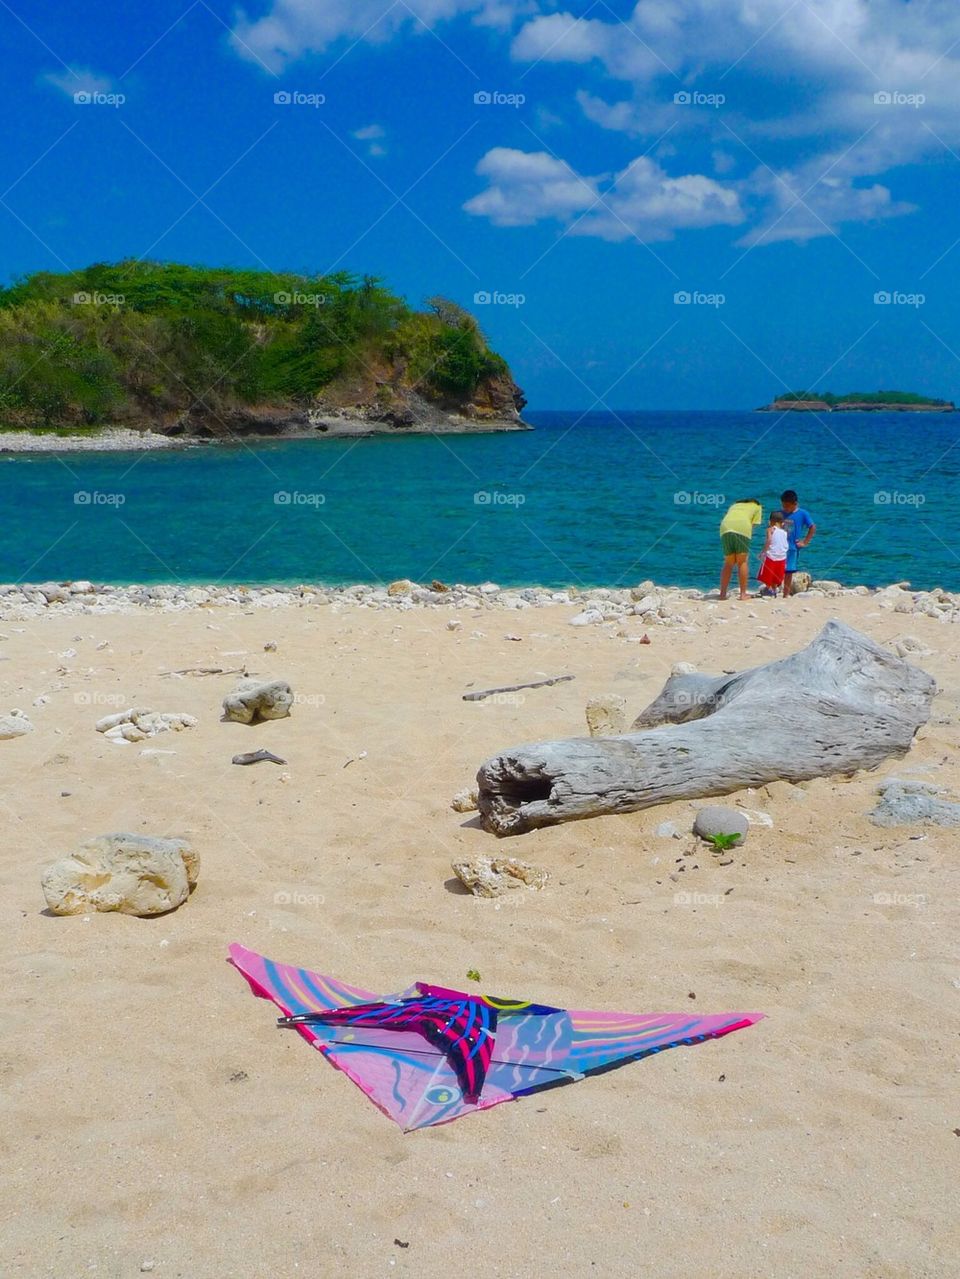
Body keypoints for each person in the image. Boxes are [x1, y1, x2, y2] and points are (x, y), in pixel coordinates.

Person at [718, 497, 762, 600]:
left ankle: (722, 594)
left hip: (725, 527)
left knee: (729, 562)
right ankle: (743, 594)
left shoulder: (734, 505)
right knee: (742, 561)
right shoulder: (757, 506)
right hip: (742, 527)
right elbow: (753, 524)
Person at [776, 489, 816, 597]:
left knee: (789, 571)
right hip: (779, 546)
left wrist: (805, 542)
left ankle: (785, 594)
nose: (785, 508)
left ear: (795, 504)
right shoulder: (780, 514)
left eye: (788, 506)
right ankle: (773, 590)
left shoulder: (802, 514)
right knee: (776, 568)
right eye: (784, 505)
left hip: (792, 547)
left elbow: (812, 527)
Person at [756, 511, 789, 596]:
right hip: (782, 557)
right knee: (776, 575)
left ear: (772, 521)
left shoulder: (770, 529)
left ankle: (769, 589)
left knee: (766, 574)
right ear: (781, 523)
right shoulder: (785, 532)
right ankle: (774, 590)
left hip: (771, 556)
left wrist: (763, 552)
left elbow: (769, 540)